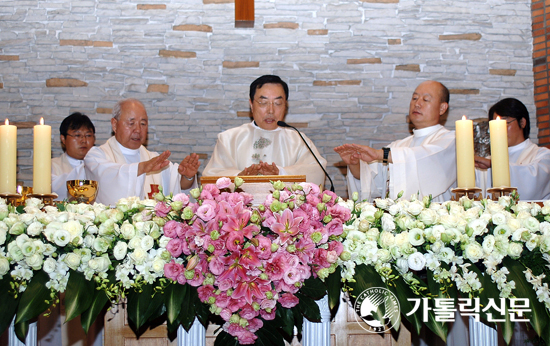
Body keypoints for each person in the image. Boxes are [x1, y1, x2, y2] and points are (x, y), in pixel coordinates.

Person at [335, 80, 456, 202]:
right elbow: (370, 180)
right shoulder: (398, 146)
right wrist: (354, 162)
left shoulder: (451, 140)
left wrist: (380, 154)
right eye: (414, 98)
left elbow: (426, 157)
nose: (417, 104)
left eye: (425, 99)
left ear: (442, 108)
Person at [202, 75, 327, 186]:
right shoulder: (229, 139)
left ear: (285, 105)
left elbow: (317, 172)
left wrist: (281, 173)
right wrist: (240, 177)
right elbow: (211, 177)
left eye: (277, 103)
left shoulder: (298, 140)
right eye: (263, 102)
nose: (270, 110)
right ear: (251, 104)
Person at [84, 98, 200, 205]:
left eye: (143, 124)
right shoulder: (96, 157)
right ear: (114, 124)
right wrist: (141, 168)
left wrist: (187, 177)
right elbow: (105, 177)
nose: (138, 130)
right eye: (131, 123)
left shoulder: (154, 159)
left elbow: (177, 187)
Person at [475, 98, 550, 200]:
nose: (499, 131)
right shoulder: (486, 162)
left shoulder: (543, 155)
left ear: (522, 122)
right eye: (495, 126)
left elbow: (534, 183)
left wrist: (496, 165)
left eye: (505, 123)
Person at [51, 112, 95, 200]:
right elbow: (55, 190)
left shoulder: (101, 164)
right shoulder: (51, 166)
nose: (84, 140)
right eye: (77, 135)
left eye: (88, 135)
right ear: (63, 138)